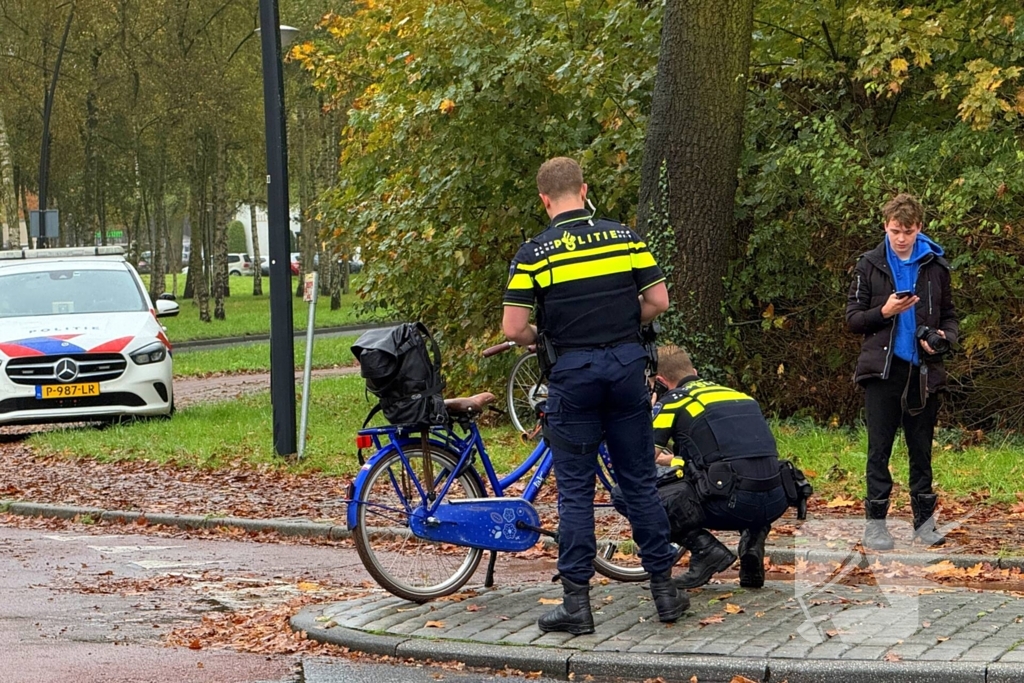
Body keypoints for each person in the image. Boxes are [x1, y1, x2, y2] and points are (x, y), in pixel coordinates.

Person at [502, 157, 687, 634]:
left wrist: (548, 335)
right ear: (584, 190)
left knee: (578, 494)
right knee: (640, 483)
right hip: (627, 373)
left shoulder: (534, 253)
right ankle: (666, 594)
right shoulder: (626, 238)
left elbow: (514, 327)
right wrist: (625, 326)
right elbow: (659, 301)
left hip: (573, 377)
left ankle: (577, 606)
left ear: (545, 200)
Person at [846, 193, 958, 551]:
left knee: (921, 448)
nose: (901, 238)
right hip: (883, 370)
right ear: (885, 226)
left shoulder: (935, 266)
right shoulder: (869, 264)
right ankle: (875, 525)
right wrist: (885, 311)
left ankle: (924, 523)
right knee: (879, 449)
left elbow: (951, 315)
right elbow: (852, 320)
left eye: (908, 231)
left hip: (924, 370)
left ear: (919, 228)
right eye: (895, 230)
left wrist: (944, 338)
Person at [647, 346, 788, 590]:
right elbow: (735, 454)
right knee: (749, 474)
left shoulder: (674, 401)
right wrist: (673, 460)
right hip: (775, 499)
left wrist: (648, 411)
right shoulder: (739, 396)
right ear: (694, 371)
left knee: (628, 492)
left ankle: (706, 550)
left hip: (730, 504)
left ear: (659, 382)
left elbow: (641, 460)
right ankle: (752, 544)